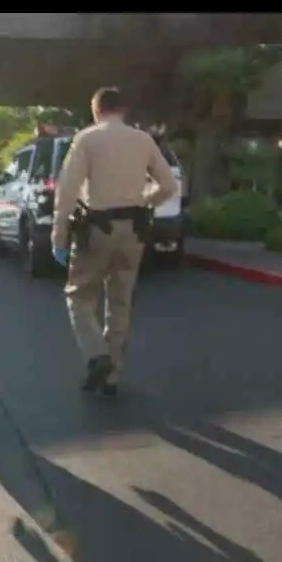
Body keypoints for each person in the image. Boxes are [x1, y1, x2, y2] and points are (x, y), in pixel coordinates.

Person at [51, 87, 178, 397]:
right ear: (123, 110)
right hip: (134, 229)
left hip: (97, 228)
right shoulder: (143, 140)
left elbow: (67, 190)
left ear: (96, 111)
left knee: (79, 296)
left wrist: (59, 234)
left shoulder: (87, 139)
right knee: (120, 301)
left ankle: (97, 355)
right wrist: (145, 201)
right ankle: (111, 376)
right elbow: (168, 185)